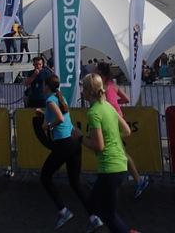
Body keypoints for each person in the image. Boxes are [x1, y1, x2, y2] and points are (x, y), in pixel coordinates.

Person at [37, 74, 103, 232]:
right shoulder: (60, 98)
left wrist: (48, 127)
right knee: (75, 182)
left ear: (46, 86)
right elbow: (61, 116)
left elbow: (59, 118)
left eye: (43, 84)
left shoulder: (50, 100)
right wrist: (42, 115)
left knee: (45, 177)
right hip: (73, 141)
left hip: (64, 142)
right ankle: (93, 216)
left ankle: (62, 210)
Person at [72, 73, 137, 233]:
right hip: (119, 162)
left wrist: (80, 137)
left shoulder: (94, 112)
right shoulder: (108, 106)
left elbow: (98, 146)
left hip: (110, 167)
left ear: (87, 91)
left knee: (108, 213)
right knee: (93, 204)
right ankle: (94, 223)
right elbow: (127, 131)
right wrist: (113, 138)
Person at [96, 62, 148, 198]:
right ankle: (136, 180)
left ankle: (138, 180)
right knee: (113, 150)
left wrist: (109, 105)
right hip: (118, 117)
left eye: (96, 69)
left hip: (112, 119)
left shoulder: (101, 85)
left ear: (100, 72)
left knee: (116, 151)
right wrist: (115, 104)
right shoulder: (113, 85)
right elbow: (126, 99)